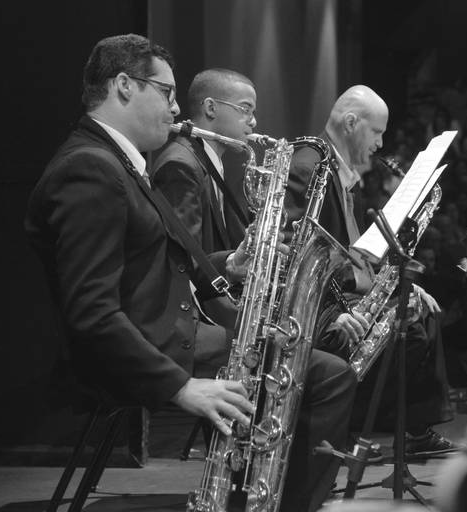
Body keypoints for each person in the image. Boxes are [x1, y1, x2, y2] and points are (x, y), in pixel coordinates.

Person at [24, 34, 254, 437]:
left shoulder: (117, 161)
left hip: (167, 335)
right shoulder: (90, 169)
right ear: (124, 85)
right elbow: (92, 313)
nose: (177, 107)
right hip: (150, 352)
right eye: (167, 92)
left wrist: (226, 265)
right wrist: (180, 386)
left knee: (298, 360)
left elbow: (166, 257)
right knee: (315, 375)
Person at [151, 68, 357, 512]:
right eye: (245, 110)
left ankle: (273, 486)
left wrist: (250, 256)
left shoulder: (212, 160)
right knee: (322, 370)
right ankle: (288, 495)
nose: (253, 122)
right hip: (196, 322)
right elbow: (181, 259)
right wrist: (234, 265)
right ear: (210, 109)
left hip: (222, 306)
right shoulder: (181, 164)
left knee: (312, 358)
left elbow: (207, 253)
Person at [284, 85, 455, 454]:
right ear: (350, 123)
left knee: (422, 312)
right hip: (320, 309)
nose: (380, 144)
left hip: (343, 291)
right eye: (376, 132)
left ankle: (414, 431)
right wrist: (334, 314)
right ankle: (346, 430)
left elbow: (352, 251)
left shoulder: (340, 172)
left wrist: (394, 286)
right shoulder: (309, 167)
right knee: (410, 332)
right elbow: (292, 255)